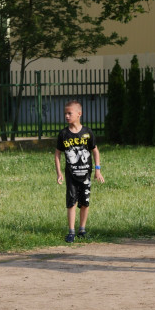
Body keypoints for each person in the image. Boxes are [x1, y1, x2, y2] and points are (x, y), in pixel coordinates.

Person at [54, 100, 104, 242]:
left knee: (85, 202)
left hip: (86, 176)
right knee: (71, 202)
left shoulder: (87, 133)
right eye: (65, 114)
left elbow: (95, 151)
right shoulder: (63, 134)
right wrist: (59, 173)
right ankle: (71, 232)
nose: (67, 116)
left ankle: (82, 229)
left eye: (70, 113)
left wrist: (97, 170)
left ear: (79, 114)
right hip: (71, 176)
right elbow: (57, 154)